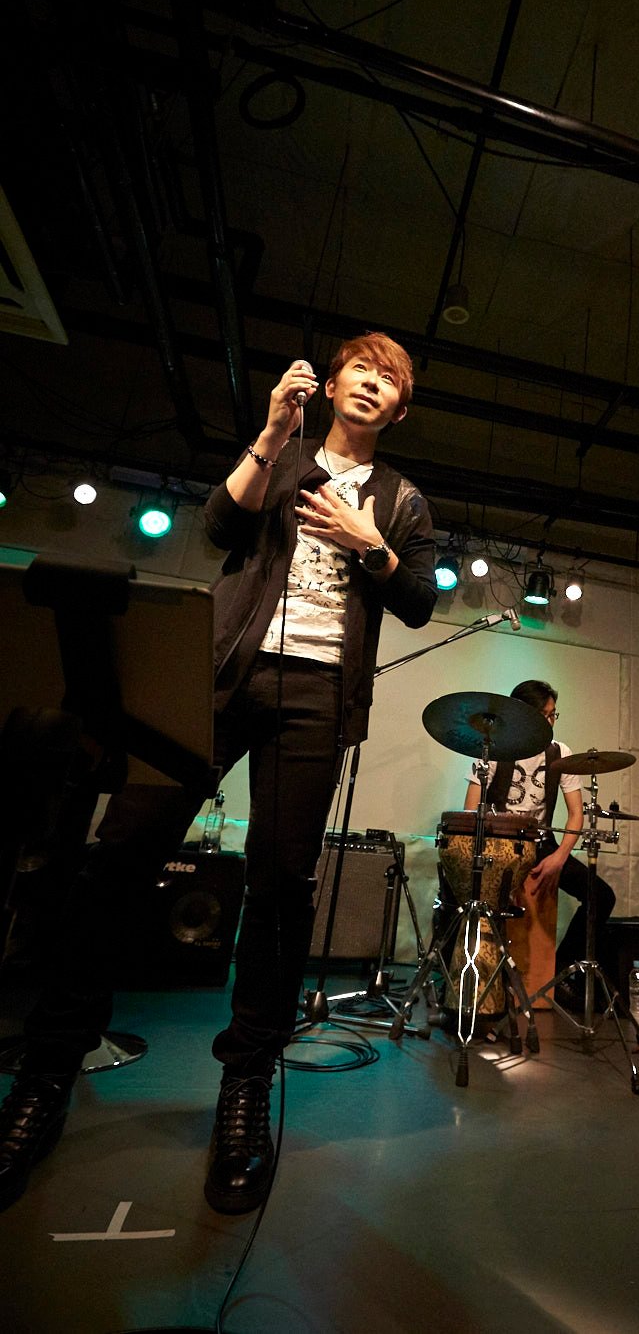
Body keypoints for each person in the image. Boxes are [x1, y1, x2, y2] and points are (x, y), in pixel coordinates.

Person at [0, 332, 436, 1214]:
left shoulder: (402, 500)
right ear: (332, 383)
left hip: (317, 695)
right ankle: (46, 1075)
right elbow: (219, 529)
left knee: (280, 889)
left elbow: (421, 600)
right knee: (120, 854)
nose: (371, 384)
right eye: (361, 369)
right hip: (222, 676)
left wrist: (370, 544)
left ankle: (245, 1085)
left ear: (398, 410)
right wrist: (272, 433)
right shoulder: (283, 455)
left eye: (389, 379)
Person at [463, 679, 616, 997]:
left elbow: (576, 814)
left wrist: (560, 857)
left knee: (602, 896)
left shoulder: (561, 753)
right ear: (523, 714)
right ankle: (484, 979)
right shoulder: (494, 748)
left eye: (553, 715)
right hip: (501, 843)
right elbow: (470, 811)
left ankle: (559, 972)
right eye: (545, 715)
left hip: (542, 844)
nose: (550, 721)